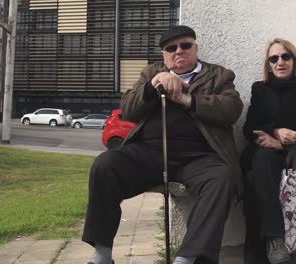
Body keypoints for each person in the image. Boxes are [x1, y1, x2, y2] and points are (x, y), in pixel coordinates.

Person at [82, 25, 244, 264]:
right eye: (171, 48)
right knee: (105, 165)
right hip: (150, 154)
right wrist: (152, 86)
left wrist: (187, 99)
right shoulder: (151, 73)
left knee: (221, 178)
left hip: (199, 157)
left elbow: (231, 109)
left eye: (185, 45)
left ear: (195, 48)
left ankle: (189, 257)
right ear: (164, 55)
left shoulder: (219, 75)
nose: (179, 51)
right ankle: (102, 252)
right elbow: (128, 109)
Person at [240, 38, 296, 264]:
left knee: (253, 180)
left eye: (285, 56)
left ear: (294, 59)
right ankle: (277, 241)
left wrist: (285, 143)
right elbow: (249, 128)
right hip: (264, 154)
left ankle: (262, 248)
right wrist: (275, 131)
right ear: (268, 64)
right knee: (262, 160)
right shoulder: (260, 89)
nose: (280, 62)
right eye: (274, 58)